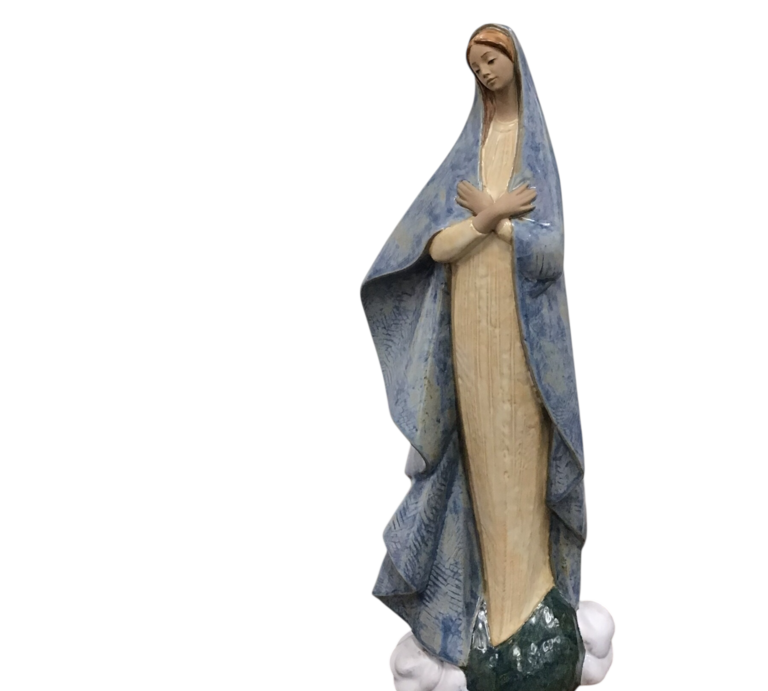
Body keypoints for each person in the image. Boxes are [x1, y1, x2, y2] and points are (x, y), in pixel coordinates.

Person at [362, 25, 586, 686]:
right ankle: (485, 607)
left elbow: (550, 250)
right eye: (475, 65)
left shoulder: (533, 148)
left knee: (523, 461)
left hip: (522, 335)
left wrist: (501, 221)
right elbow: (433, 245)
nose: (483, 71)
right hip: (470, 325)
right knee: (483, 457)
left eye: (491, 59)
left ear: (514, 61)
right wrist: (489, 216)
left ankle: (530, 607)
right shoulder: (470, 150)